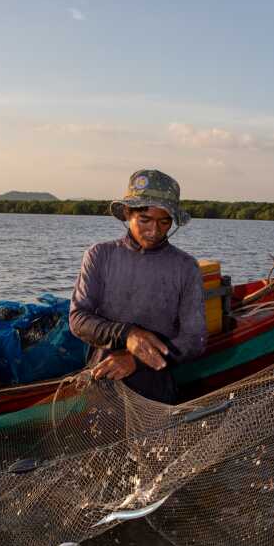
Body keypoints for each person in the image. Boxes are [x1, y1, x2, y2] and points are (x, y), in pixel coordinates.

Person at [69, 169, 206, 404]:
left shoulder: (186, 267)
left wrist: (136, 360)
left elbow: (194, 340)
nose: (154, 231)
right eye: (145, 220)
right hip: (102, 383)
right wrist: (127, 334)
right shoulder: (100, 255)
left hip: (155, 391)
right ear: (127, 213)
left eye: (164, 222)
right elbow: (78, 319)